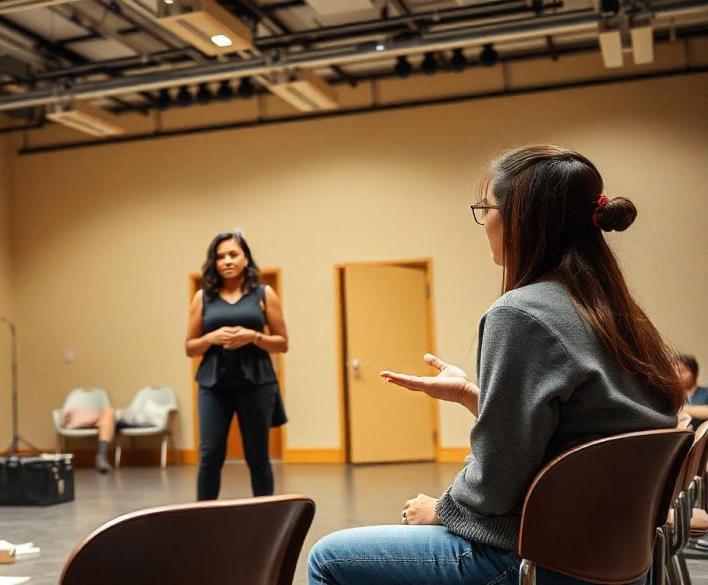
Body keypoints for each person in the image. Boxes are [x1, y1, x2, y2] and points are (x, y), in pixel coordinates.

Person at [308, 145, 684, 584]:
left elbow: (496, 487)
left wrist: (443, 508)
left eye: (486, 208)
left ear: (521, 219)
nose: (483, 221)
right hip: (620, 554)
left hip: (542, 557)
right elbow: (582, 428)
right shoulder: (615, 311)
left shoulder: (521, 314)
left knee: (328, 557)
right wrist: (476, 396)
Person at [185, 230, 289, 500]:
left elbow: (282, 343)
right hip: (213, 384)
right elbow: (189, 347)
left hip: (257, 382)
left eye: (233, 254)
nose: (227, 261)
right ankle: (203, 516)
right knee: (210, 455)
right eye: (220, 256)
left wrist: (253, 336)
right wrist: (210, 337)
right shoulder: (202, 297)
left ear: (245, 258)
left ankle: (266, 518)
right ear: (214, 262)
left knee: (258, 456)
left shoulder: (264, 293)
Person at [62, 404, 116, 473]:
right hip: (76, 418)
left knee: (108, 416)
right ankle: (102, 456)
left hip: (97, 420)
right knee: (108, 413)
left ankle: (102, 456)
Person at [678, 354, 707, 428]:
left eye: (682, 371)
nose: (678, 375)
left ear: (695, 374)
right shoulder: (673, 396)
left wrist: (682, 409)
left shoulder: (705, 393)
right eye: (676, 371)